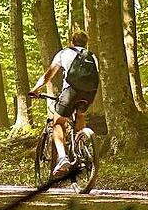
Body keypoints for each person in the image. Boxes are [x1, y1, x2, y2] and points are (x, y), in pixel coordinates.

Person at [29, 29, 99, 176]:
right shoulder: (92, 56)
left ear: (71, 41)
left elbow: (47, 76)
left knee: (58, 122)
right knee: (80, 115)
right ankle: (81, 146)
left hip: (71, 91)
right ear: (86, 44)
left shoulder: (64, 53)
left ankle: (62, 158)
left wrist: (35, 89)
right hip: (90, 92)